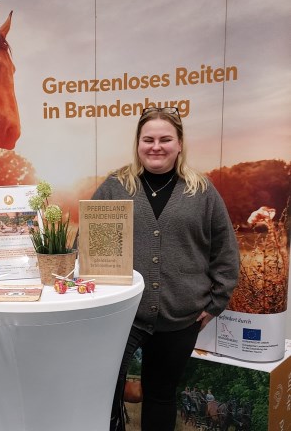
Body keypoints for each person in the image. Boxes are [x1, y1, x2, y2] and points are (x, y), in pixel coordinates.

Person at [91, 106, 240, 431]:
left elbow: (225, 250)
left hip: (180, 317)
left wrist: (216, 302)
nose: (156, 146)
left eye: (165, 139)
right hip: (123, 315)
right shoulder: (116, 187)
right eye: (148, 139)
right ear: (138, 143)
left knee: (160, 395)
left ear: (179, 144)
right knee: (105, 393)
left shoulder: (201, 191)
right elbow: (90, 245)